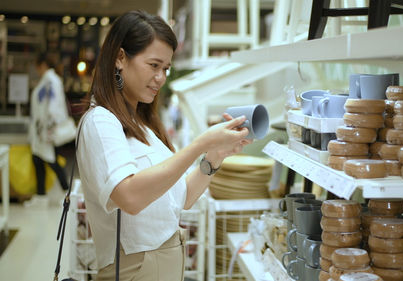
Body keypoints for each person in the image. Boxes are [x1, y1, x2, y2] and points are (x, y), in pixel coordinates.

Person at [76, 10, 251, 281]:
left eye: (166, 68)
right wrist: (198, 144)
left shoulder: (143, 123)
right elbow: (130, 197)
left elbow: (182, 199)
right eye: (153, 65)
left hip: (164, 262)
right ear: (120, 58)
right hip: (135, 268)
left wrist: (214, 156)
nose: (161, 77)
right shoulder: (101, 121)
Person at [26, 53, 70, 208]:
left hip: (46, 129)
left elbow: (53, 104)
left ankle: (67, 192)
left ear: (42, 65)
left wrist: (49, 127)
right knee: (39, 160)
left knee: (52, 160)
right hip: (41, 130)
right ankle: (40, 195)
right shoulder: (48, 80)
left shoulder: (51, 80)